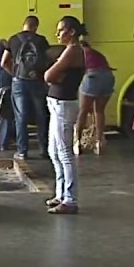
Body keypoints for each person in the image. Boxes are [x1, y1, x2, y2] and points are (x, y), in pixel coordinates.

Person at [43, 16, 86, 215]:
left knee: (64, 153)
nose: (57, 34)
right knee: (54, 151)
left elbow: (48, 76)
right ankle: (61, 194)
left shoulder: (72, 51)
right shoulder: (70, 52)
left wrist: (55, 72)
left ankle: (70, 199)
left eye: (60, 30)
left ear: (71, 32)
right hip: (57, 103)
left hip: (63, 105)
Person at [3, 16, 52, 161]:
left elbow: (3, 62)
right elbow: (48, 60)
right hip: (37, 81)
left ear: (24, 25)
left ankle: (22, 151)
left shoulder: (13, 39)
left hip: (19, 81)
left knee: (21, 116)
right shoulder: (41, 40)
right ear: (36, 26)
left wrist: (14, 75)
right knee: (41, 115)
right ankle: (44, 149)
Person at [74, 36, 114, 155]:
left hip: (92, 76)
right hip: (108, 77)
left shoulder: (80, 53)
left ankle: (77, 142)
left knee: (83, 110)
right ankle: (99, 142)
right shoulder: (97, 54)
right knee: (99, 111)